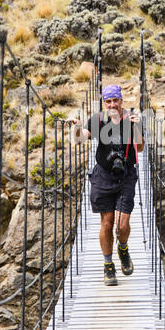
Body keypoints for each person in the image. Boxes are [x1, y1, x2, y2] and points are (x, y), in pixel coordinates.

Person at [68, 84, 144, 286]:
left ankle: (124, 248)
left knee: (122, 225)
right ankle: (108, 265)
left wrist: (136, 128)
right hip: (103, 175)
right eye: (108, 101)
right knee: (107, 223)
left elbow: (141, 147)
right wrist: (76, 127)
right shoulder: (98, 120)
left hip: (126, 174)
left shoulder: (132, 118)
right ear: (104, 102)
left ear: (121, 100)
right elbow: (79, 140)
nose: (112, 104)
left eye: (115, 100)